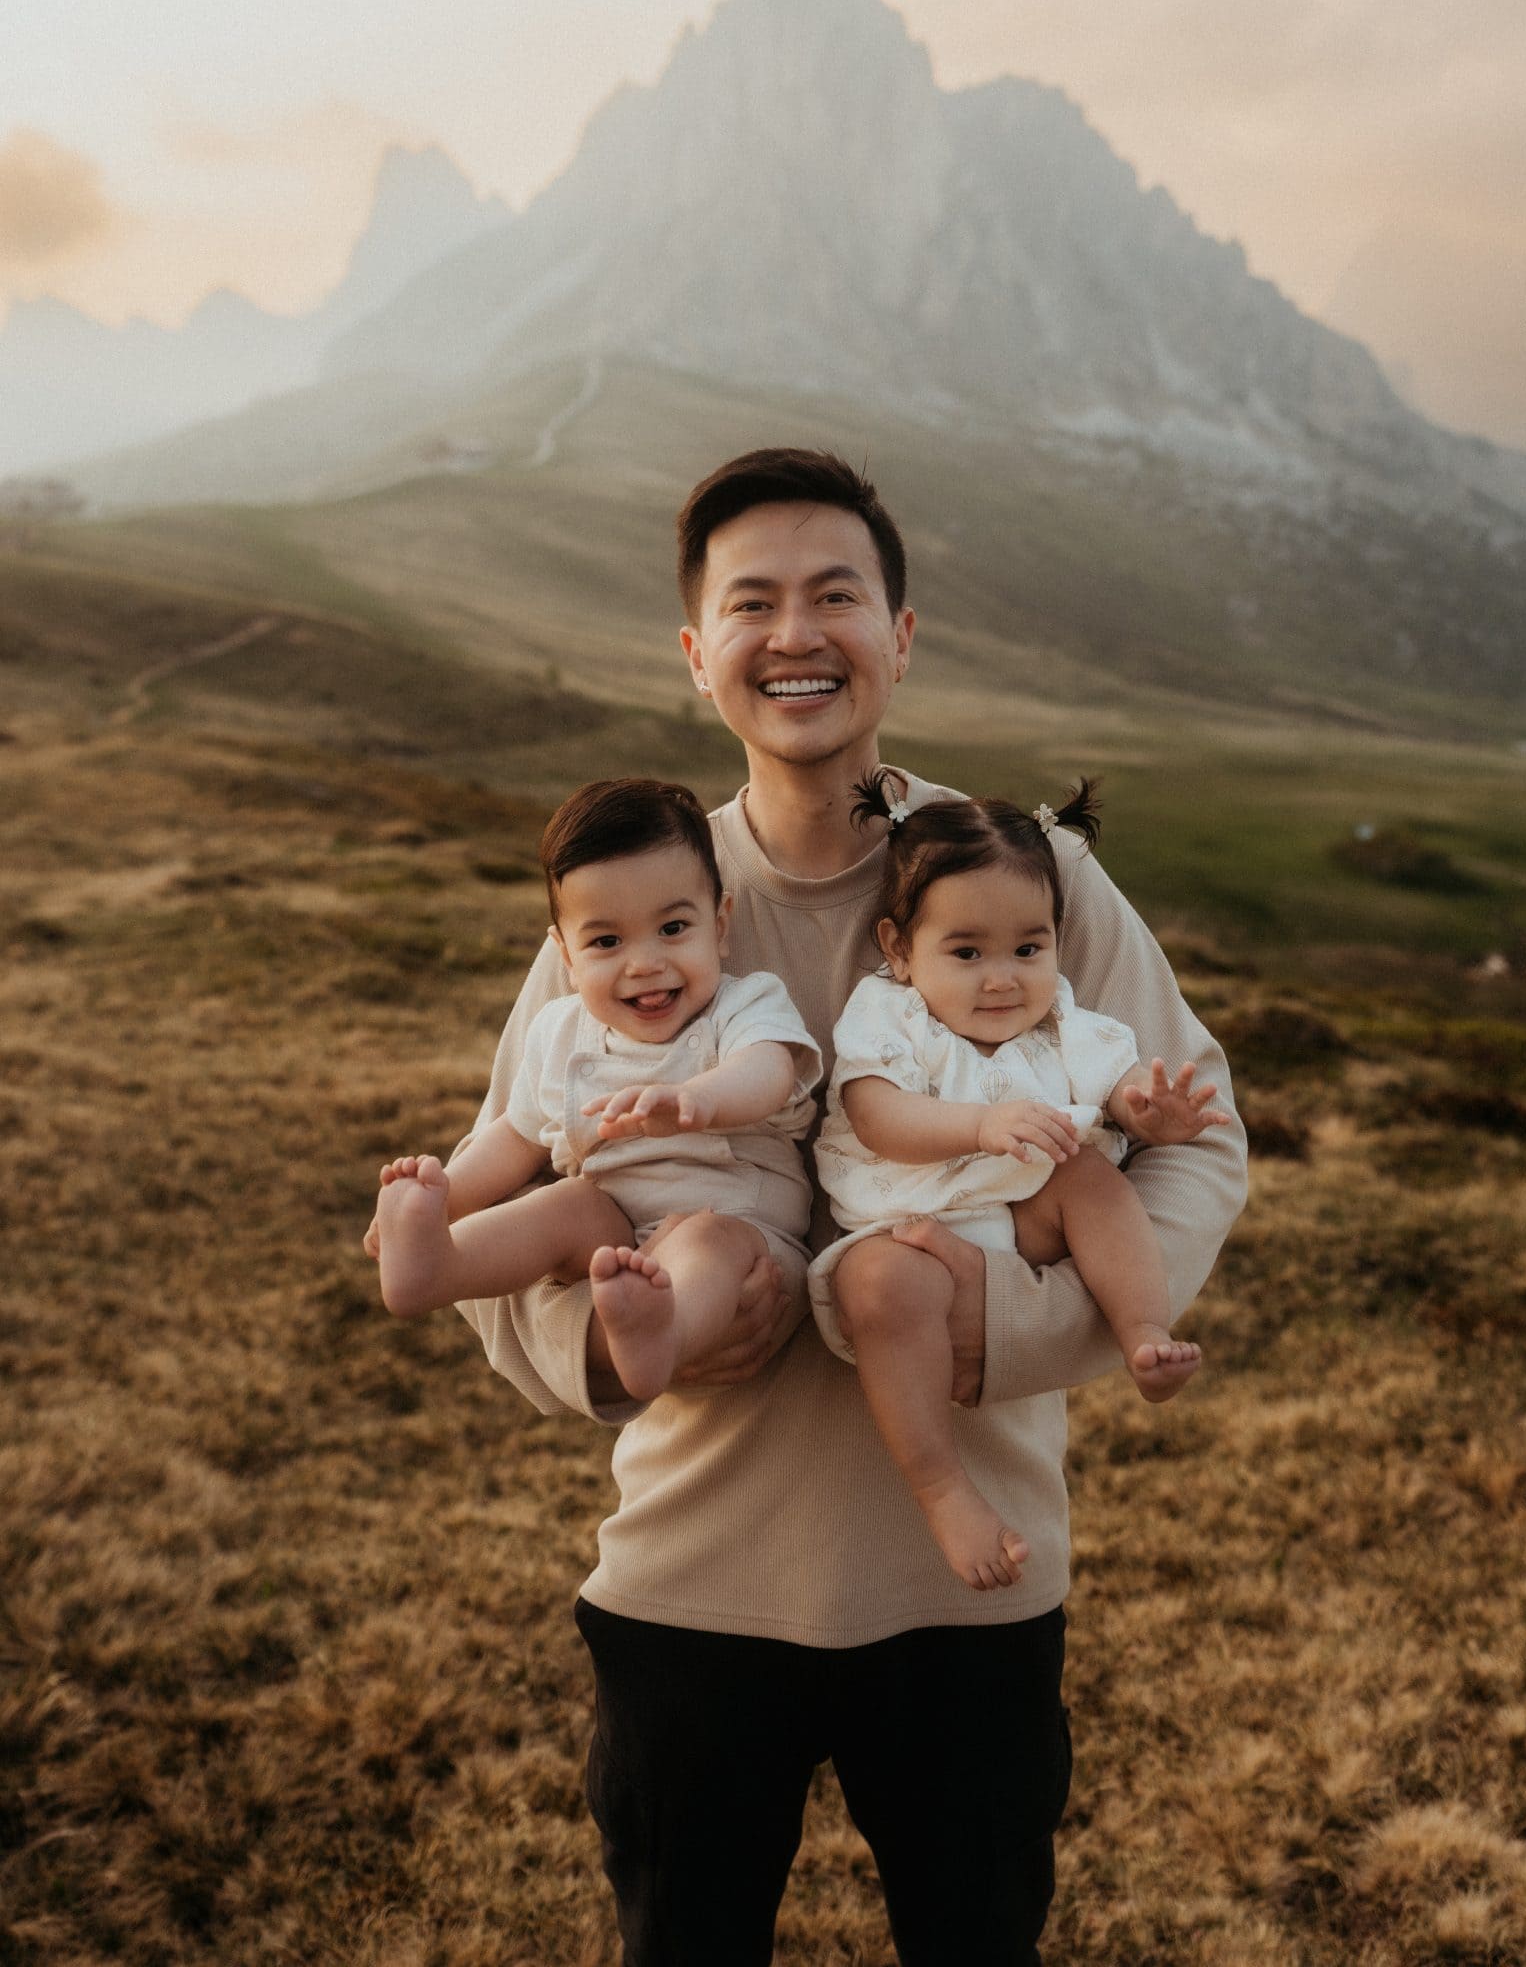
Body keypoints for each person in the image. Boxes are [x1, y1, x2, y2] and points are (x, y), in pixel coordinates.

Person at [450, 447, 1247, 1967]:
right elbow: (520, 1171)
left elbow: (1197, 1144)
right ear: (697, 655)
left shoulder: (1029, 874)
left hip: (969, 1589)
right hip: (689, 1582)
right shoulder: (633, 899)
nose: (795, 633)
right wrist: (623, 1355)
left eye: (836, 595)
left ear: (901, 634)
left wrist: (992, 1323)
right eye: (752, 603)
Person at [810, 771, 1230, 1589]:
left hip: (1020, 1221)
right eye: (965, 953)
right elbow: (876, 1117)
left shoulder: (1066, 1020)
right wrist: (977, 1125)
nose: (1003, 979)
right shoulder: (887, 1014)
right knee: (877, 1291)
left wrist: (1152, 1118)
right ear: (898, 948)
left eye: (1027, 950)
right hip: (906, 1224)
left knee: (1091, 1179)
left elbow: (1119, 1090)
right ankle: (942, 1488)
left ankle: (1143, 1329)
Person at [365, 778, 818, 1402]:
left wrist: (700, 1100)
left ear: (720, 926)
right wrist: (445, 1197)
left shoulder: (744, 1006)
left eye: (672, 928)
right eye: (607, 941)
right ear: (567, 959)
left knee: (707, 1243)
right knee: (564, 1206)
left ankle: (663, 1331)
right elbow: (516, 1138)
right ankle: (437, 1264)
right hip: (615, 1229)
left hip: (743, 1229)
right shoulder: (561, 1033)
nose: (644, 963)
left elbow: (769, 1070)